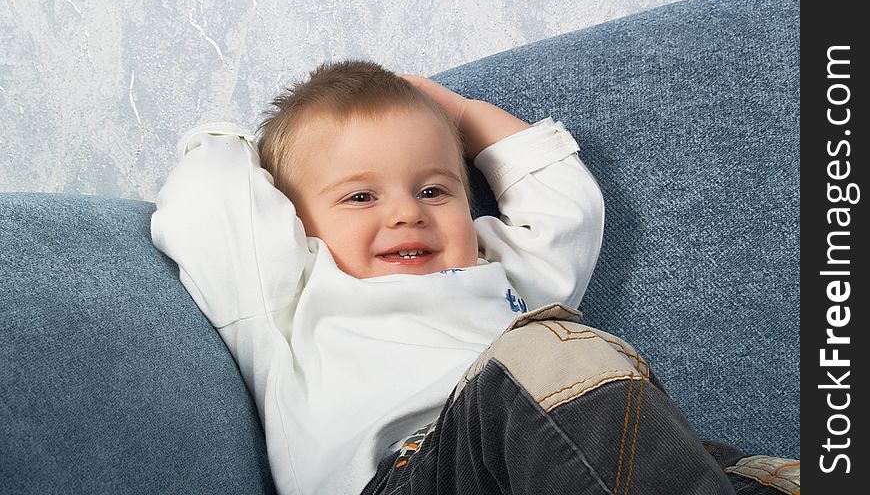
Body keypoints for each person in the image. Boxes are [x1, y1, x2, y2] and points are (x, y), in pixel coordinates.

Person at [151, 60, 798, 495]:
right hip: (408, 477)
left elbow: (568, 208)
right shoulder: (291, 297)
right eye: (359, 199)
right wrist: (236, 144)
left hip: (537, 463)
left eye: (434, 189)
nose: (407, 212)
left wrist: (462, 115)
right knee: (554, 354)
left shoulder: (498, 272)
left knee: (738, 471)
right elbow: (206, 203)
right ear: (295, 224)